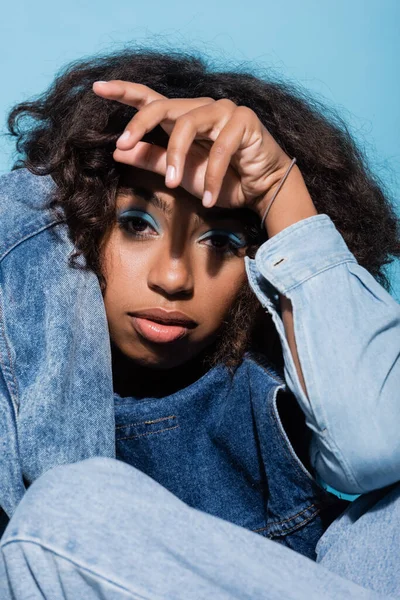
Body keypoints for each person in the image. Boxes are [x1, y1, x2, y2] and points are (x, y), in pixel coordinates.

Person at [0, 47, 399, 598]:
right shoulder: (21, 363)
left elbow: (377, 446)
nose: (173, 277)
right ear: (81, 225)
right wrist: (32, 212)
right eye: (137, 224)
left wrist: (281, 191)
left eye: (223, 240)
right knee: (66, 508)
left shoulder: (270, 384)